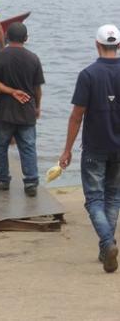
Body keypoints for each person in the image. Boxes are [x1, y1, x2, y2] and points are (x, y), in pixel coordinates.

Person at [59, 24, 120, 273]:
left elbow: (77, 116)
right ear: (117, 46)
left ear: (97, 45)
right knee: (113, 197)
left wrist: (67, 150)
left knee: (94, 198)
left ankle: (107, 243)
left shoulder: (88, 74)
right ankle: (106, 247)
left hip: (95, 146)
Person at [0, 23, 44, 196]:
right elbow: (37, 88)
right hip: (26, 110)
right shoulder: (33, 58)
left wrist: (11, 91)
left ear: (6, 37)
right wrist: (38, 106)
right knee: (28, 146)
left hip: (4, 111)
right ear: (26, 38)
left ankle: (2, 180)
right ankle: (31, 182)